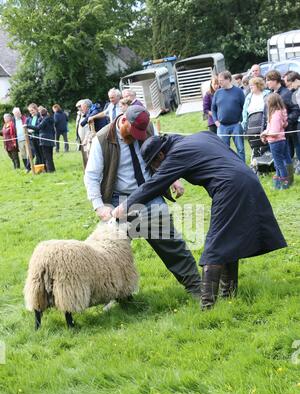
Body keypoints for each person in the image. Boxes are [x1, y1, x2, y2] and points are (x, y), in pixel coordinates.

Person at [112, 132, 287, 310]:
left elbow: (154, 184)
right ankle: (229, 294)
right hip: (248, 179)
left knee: (215, 244)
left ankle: (207, 305)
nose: (156, 168)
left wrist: (126, 205)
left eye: (155, 163)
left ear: (161, 155)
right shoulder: (201, 136)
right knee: (230, 237)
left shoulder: (177, 154)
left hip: (229, 188)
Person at [84, 105, 202, 299]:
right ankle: (120, 296)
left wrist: (173, 178)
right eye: (134, 132)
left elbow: (159, 156)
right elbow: (91, 176)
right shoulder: (103, 139)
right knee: (112, 251)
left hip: (148, 193)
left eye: (142, 133)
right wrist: (99, 206)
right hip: (119, 198)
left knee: (171, 243)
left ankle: (197, 287)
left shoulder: (147, 128)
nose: (139, 137)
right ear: (123, 121)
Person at [265, 69, 300, 184]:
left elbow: (295, 110)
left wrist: (284, 124)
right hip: (277, 133)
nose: (267, 83)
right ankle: (286, 180)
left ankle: (287, 181)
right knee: (284, 157)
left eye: (269, 80)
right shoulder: (271, 95)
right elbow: (267, 114)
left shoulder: (286, 93)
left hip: (287, 131)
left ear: (275, 80)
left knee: (287, 157)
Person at [212, 70, 246, 162]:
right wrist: (216, 121)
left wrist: (241, 120)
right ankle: (228, 168)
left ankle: (243, 168)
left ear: (228, 79)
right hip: (222, 126)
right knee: (223, 150)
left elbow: (245, 107)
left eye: (221, 80)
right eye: (219, 80)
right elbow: (213, 109)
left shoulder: (238, 92)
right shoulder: (217, 93)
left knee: (240, 148)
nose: (219, 82)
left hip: (236, 125)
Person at [260, 94, 290, 189]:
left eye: (268, 102)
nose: (267, 104)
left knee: (279, 164)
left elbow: (275, 132)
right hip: (278, 140)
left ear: (271, 103)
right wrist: (263, 134)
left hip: (276, 142)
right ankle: (277, 185)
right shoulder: (275, 113)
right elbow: (269, 128)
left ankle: (285, 184)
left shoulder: (276, 115)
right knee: (278, 163)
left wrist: (266, 135)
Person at [26, 107, 56, 172]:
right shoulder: (48, 118)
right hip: (49, 138)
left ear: (41, 113)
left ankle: (50, 170)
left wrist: (27, 126)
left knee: (47, 156)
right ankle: (51, 169)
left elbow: (38, 127)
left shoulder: (45, 119)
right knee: (49, 155)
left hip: (45, 139)